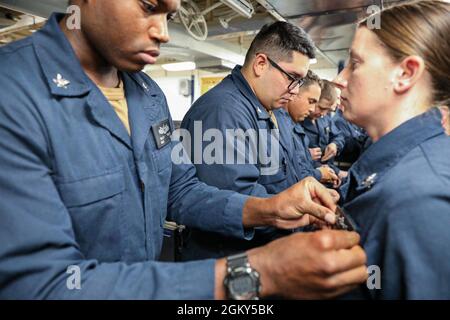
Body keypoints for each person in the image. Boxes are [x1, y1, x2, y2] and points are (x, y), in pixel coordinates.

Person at [0, 0, 367, 299]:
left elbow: (181, 190)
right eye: (148, 6)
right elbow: (38, 283)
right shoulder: (14, 90)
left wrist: (270, 208)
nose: (162, 31)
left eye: (170, 16)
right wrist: (257, 272)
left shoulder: (148, 95)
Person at [332, 0, 450, 299]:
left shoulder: (420, 200)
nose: (339, 80)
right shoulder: (399, 171)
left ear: (406, 74)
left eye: (355, 64)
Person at [179, 22, 319, 260]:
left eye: (300, 82)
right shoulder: (222, 111)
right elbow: (238, 201)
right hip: (230, 260)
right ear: (261, 64)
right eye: (292, 78)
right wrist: (299, 222)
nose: (295, 91)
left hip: (266, 251)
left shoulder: (271, 110)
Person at [282, 70, 340, 186]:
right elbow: (291, 174)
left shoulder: (295, 122)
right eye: (311, 101)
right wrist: (319, 173)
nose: (312, 109)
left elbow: (338, 136)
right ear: (293, 92)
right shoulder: (284, 125)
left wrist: (335, 144)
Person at [301, 80, 346, 184]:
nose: (323, 113)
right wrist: (306, 155)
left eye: (328, 110)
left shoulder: (325, 119)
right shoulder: (298, 120)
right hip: (309, 177)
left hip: (328, 172)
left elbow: (339, 136)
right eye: (321, 108)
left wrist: (335, 145)